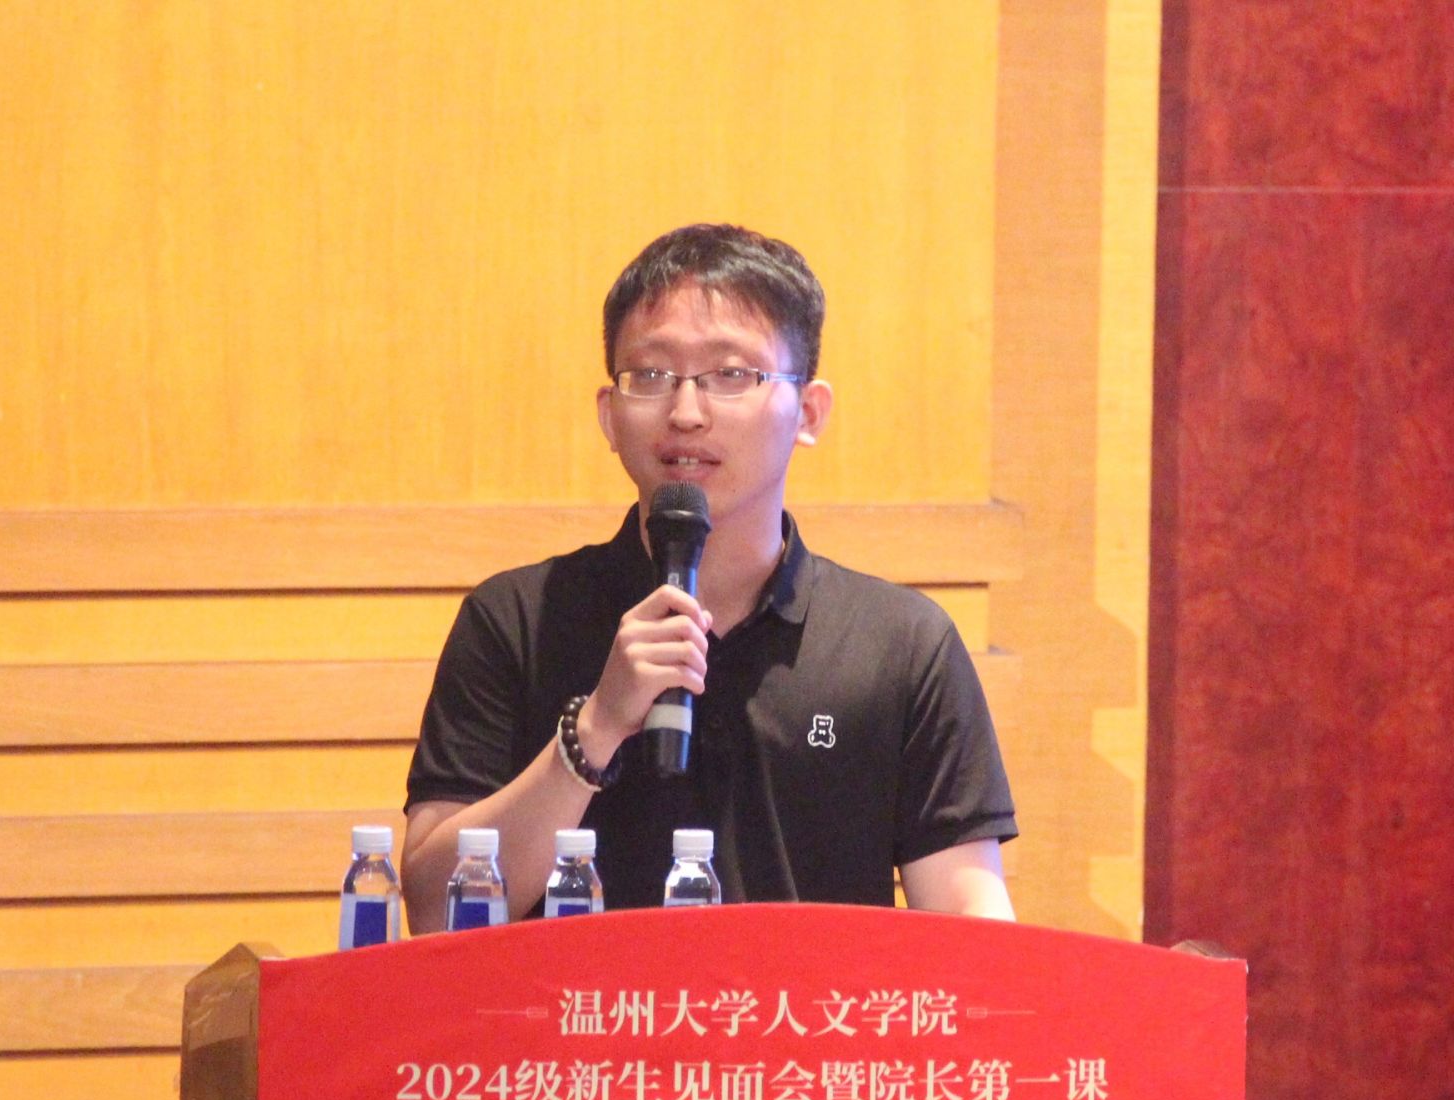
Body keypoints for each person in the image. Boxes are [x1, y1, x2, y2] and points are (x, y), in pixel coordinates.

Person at [400, 224, 1015, 930]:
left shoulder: (899, 644)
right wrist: (596, 727)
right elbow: (433, 911)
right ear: (609, 416)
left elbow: (970, 916)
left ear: (809, 412)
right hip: (579, 1005)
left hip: (804, 1005)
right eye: (650, 376)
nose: (686, 413)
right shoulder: (517, 618)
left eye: (731, 375)